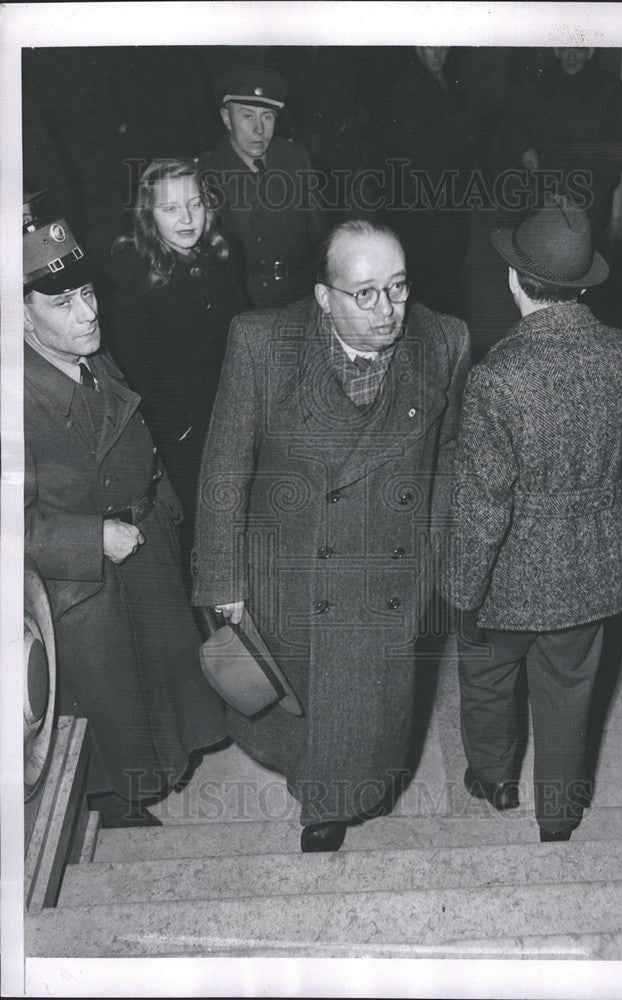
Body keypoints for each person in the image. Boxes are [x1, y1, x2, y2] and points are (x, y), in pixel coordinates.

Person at [192, 218, 470, 852]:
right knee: (297, 706)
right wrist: (222, 581)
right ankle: (312, 783)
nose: (388, 311)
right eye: (364, 293)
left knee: (359, 725)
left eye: (398, 288)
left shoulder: (446, 341)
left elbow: (448, 453)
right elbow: (224, 467)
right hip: (289, 564)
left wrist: (428, 552)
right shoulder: (263, 343)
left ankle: (329, 808)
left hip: (384, 574)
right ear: (323, 297)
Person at [442, 197, 622, 841]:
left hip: (511, 574)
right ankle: (559, 817)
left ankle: (494, 779)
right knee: (570, 693)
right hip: (595, 564)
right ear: (583, 282)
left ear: (514, 280)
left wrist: (460, 590)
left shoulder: (498, 378)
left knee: (485, 675)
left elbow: (483, 505)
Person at [23, 212, 227, 828]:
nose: (87, 312)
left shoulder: (90, 355)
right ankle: (110, 804)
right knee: (108, 711)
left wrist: (166, 517)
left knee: (161, 687)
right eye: (62, 302)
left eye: (88, 294)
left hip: (142, 547)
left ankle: (151, 776)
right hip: (82, 584)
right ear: (21, 316)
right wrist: (93, 538)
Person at [104, 158, 247, 573]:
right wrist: (176, 433)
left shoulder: (220, 252)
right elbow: (136, 374)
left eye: (196, 204)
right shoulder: (130, 273)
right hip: (182, 435)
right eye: (170, 209)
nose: (187, 218)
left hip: (232, 413)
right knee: (203, 537)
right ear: (149, 216)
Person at [197, 65, 326, 309]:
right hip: (247, 304)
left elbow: (319, 234)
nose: (259, 130)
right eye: (247, 116)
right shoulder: (208, 171)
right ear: (227, 118)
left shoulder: (295, 158)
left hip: (302, 294)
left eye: (267, 117)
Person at [366, 47, 475, 319]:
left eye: (443, 46)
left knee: (446, 284)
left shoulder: (451, 81)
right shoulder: (403, 87)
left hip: (448, 203)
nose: (438, 53)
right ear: (416, 47)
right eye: (430, 46)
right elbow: (394, 156)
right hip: (421, 209)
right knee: (425, 289)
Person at [494, 48, 622, 235]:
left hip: (589, 193)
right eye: (566, 49)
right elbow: (512, 124)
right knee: (538, 249)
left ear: (589, 52)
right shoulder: (538, 81)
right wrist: (524, 150)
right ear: (557, 51)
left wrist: (601, 184)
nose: (572, 56)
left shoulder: (609, 87)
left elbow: (621, 144)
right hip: (541, 189)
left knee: (580, 256)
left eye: (579, 50)